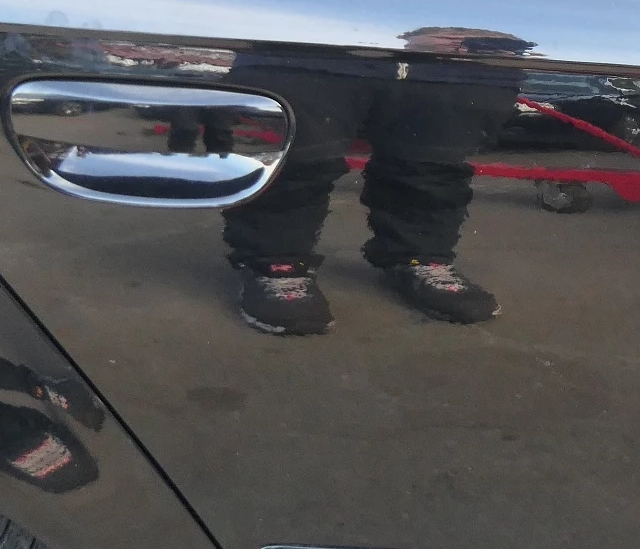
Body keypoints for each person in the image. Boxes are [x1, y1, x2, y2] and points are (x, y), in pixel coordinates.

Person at [222, 28, 535, 336]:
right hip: (311, 49)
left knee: (434, 165)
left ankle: (420, 256)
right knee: (299, 163)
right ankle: (276, 261)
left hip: (458, 64)